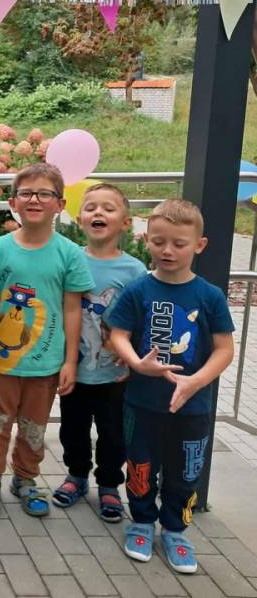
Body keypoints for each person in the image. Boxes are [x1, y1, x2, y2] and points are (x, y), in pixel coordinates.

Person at [108, 199, 235, 574]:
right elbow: (118, 334)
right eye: (159, 241)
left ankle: (176, 530)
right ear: (147, 239)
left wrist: (196, 381)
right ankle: (141, 522)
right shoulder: (137, 290)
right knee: (140, 466)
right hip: (142, 403)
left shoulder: (210, 296)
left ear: (199, 245)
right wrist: (136, 364)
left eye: (179, 244)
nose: (168, 250)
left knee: (186, 472)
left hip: (193, 407)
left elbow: (225, 349)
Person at [0, 163, 95, 518]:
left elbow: (72, 309)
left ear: (60, 203)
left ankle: (25, 479)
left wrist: (70, 360)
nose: (35, 200)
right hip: (1, 363)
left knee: (34, 427)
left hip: (46, 364)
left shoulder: (69, 253)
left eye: (44, 193)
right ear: (13, 202)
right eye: (26, 193)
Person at [52, 184, 146, 522]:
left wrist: (134, 357)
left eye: (108, 208)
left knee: (113, 433)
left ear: (125, 223)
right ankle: (76, 475)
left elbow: (141, 317)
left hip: (114, 373)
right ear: (79, 219)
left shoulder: (134, 270)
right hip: (74, 367)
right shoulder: (69, 260)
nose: (98, 213)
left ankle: (109, 484)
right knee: (72, 428)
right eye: (91, 207)